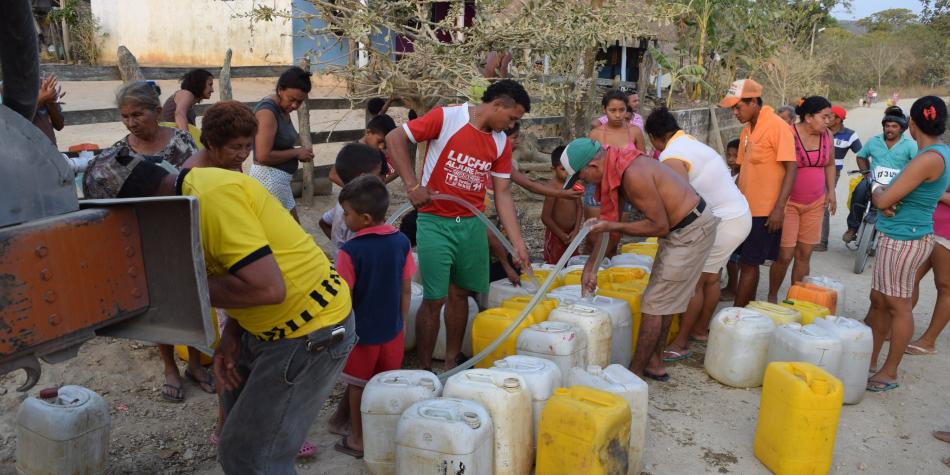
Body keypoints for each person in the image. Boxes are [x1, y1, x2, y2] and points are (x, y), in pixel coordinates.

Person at [85, 157, 354, 472]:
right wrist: (232, 334)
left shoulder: (212, 201)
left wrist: (167, 282)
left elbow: (267, 288)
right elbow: (238, 267)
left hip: (309, 333)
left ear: (143, 207)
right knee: (238, 438)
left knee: (250, 455)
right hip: (272, 328)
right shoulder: (197, 192)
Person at [385, 79, 531, 371]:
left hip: (471, 224)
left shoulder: (500, 143)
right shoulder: (447, 118)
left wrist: (517, 242)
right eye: (512, 117)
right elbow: (394, 138)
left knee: (461, 294)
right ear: (497, 105)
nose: (512, 125)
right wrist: (412, 185)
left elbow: (502, 194)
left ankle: (452, 362)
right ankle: (425, 368)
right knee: (434, 298)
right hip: (435, 220)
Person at [82, 81, 203, 402]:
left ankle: (194, 362)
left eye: (138, 114)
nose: (132, 122)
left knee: (188, 298)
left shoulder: (182, 144)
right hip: (145, 239)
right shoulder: (119, 156)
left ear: (154, 110)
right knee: (158, 304)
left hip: (181, 235)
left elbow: (200, 185)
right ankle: (169, 366)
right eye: (125, 116)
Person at [563, 138, 718, 380]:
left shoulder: (632, 174)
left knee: (654, 304)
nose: (585, 184)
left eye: (582, 177)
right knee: (663, 299)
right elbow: (610, 229)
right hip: (680, 229)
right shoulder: (617, 167)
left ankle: (634, 374)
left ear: (592, 166)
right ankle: (654, 363)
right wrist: (590, 268)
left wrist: (612, 225)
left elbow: (657, 225)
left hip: (690, 230)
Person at [644, 108, 751, 361]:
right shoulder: (689, 142)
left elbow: (679, 200)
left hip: (724, 221)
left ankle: (680, 342)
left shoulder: (671, 156)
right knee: (711, 278)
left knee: (695, 282)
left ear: (652, 137)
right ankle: (700, 330)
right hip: (737, 215)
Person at [866, 96, 950, 392]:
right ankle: (871, 360)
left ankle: (889, 372)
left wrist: (878, 191)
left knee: (898, 307)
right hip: (898, 233)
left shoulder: (929, 157)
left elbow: (885, 197)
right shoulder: (936, 153)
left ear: (912, 124)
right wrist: (888, 198)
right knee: (878, 301)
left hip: (905, 239)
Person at [332, 175, 415, 458]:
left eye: (346, 213)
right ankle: (388, 434)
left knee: (358, 386)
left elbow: (344, 299)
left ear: (365, 217)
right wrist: (402, 322)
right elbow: (406, 288)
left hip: (361, 334)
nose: (343, 218)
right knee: (386, 384)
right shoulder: (402, 241)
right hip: (393, 330)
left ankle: (358, 439)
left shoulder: (350, 252)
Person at [719, 79, 797, 307]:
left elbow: (791, 168)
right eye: (733, 107)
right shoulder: (746, 131)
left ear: (753, 101)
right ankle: (745, 311)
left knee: (750, 264)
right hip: (744, 208)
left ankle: (738, 315)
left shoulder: (777, 126)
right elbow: (742, 170)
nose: (735, 112)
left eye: (738, 106)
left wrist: (779, 209)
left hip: (765, 211)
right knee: (743, 262)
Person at [767, 96, 836, 302]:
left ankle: (793, 299)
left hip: (815, 203)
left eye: (830, 117)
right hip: (789, 204)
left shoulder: (828, 136)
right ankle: (772, 296)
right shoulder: (788, 134)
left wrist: (831, 191)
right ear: (808, 117)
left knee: (805, 254)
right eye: (824, 117)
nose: (828, 121)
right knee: (785, 255)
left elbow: (830, 164)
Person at [843, 106, 917, 243]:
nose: (890, 129)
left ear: (901, 128)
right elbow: (861, 156)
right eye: (887, 126)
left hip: (897, 183)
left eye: (894, 126)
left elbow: (916, 163)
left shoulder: (911, 145)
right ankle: (852, 228)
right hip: (874, 180)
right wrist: (866, 173)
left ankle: (896, 235)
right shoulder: (874, 141)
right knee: (858, 192)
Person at [251, 66, 315, 220]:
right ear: (280, 90)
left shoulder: (282, 108)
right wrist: (296, 152)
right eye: (291, 99)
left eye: (299, 102)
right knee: (290, 232)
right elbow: (262, 156)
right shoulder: (267, 113)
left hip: (279, 182)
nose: (294, 105)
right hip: (269, 180)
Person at [320, 143, 387, 258]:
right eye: (379, 174)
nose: (383, 179)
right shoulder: (357, 219)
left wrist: (339, 246)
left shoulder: (343, 206)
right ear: (363, 178)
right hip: (353, 274)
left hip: (341, 268)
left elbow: (323, 222)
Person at [906, 182, 950, 355]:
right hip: (927, 225)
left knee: (945, 286)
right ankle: (899, 325)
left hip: (946, 232)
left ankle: (929, 340)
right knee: (910, 278)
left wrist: (936, 194)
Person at [817, 105, 862, 251]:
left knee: (823, 203)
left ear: (838, 120)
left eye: (830, 116)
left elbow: (861, 153)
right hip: (815, 170)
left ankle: (822, 242)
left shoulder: (850, 135)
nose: (827, 119)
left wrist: (866, 171)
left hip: (833, 172)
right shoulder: (820, 130)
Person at [182, 101, 255, 172]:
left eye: (248, 146)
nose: (244, 155)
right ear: (211, 143)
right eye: (236, 147)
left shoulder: (229, 162)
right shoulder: (195, 175)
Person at [542, 145, 582, 264]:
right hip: (555, 235)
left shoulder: (573, 184)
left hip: (571, 234)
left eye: (570, 169)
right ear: (553, 169)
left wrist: (576, 230)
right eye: (562, 169)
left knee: (572, 263)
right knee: (555, 266)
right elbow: (545, 217)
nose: (567, 173)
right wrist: (561, 234)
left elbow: (579, 207)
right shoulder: (552, 189)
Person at [721, 139, 743, 302]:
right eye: (728, 155)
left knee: (733, 259)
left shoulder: (743, 176)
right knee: (729, 259)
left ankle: (733, 288)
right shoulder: (729, 173)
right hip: (727, 220)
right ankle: (732, 285)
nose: (731, 159)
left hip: (737, 221)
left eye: (735, 156)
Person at [32, 74, 64, 145]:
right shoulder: (5, 89)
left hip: (49, 150)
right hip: (26, 151)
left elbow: (59, 125)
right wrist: (40, 100)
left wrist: (51, 102)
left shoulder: (43, 84)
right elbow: (15, 120)